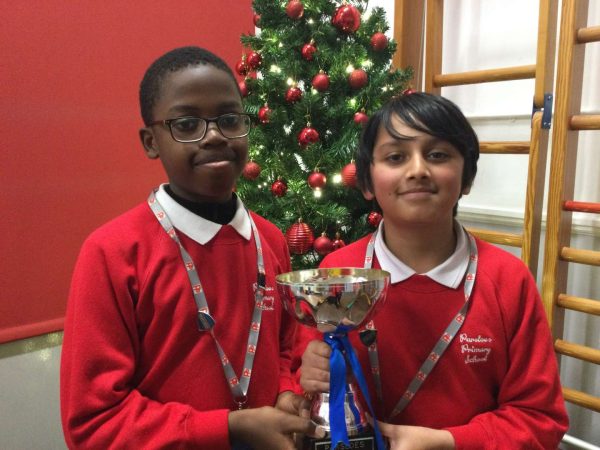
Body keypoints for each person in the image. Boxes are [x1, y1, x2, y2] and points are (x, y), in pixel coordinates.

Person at [60, 46, 321, 449]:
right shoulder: (112, 253)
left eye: (229, 119)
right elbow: (93, 422)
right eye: (186, 124)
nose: (214, 136)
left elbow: (285, 347)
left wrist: (286, 391)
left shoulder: (269, 239)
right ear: (151, 142)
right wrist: (228, 428)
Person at [297, 92, 569, 449]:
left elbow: (540, 418)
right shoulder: (337, 273)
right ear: (366, 182)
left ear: (466, 178)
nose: (418, 170)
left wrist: (449, 442)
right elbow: (302, 391)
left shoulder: (507, 279)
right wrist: (308, 378)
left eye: (438, 155)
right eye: (395, 157)